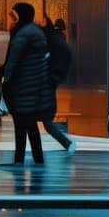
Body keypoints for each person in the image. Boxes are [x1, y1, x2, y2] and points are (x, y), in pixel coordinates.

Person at [0, 2, 55, 169]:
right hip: (32, 84)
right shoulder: (34, 31)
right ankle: (36, 158)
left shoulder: (23, 33)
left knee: (21, 123)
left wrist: (5, 78)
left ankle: (19, 159)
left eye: (13, 16)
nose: (11, 20)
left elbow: (13, 60)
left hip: (22, 85)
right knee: (29, 124)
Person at [40, 18, 75, 151]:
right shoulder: (59, 42)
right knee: (44, 121)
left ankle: (66, 143)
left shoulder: (53, 43)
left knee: (43, 121)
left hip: (47, 82)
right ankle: (65, 143)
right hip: (51, 82)